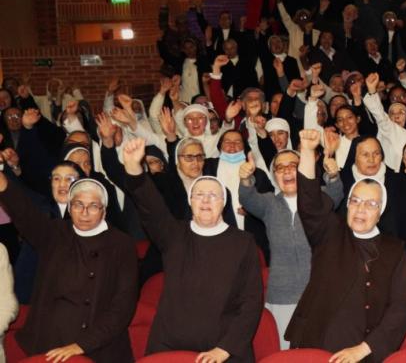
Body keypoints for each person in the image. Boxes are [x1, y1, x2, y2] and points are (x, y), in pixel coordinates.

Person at [121, 138, 264, 363]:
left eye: (213, 195)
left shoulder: (243, 242)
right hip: (170, 343)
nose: (206, 200)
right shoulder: (174, 234)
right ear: (190, 202)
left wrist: (225, 349)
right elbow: (151, 206)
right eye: (199, 195)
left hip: (225, 347)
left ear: (223, 203)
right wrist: (133, 168)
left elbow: (251, 302)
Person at [285, 130, 406, 363]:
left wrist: (364, 348)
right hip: (318, 342)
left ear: (380, 212)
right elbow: (310, 202)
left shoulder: (394, 249)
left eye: (370, 203)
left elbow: (400, 310)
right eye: (355, 201)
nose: (361, 209)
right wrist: (306, 150)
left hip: (365, 350)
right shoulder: (330, 233)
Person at [0, 173, 136, 363]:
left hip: (101, 346)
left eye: (93, 206)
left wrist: (82, 345)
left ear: (104, 211)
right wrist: (3, 183)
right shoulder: (54, 234)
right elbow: (24, 212)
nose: (84, 212)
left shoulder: (123, 245)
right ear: (70, 208)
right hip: (50, 343)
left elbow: (122, 306)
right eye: (78, 204)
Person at [238, 148, 344, 349]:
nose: (287, 171)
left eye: (293, 166)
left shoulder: (319, 197)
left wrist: (332, 175)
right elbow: (248, 199)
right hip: (282, 294)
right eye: (280, 167)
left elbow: (336, 194)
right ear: (274, 175)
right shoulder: (269, 203)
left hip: (320, 292)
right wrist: (245, 179)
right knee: (286, 354)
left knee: (320, 352)